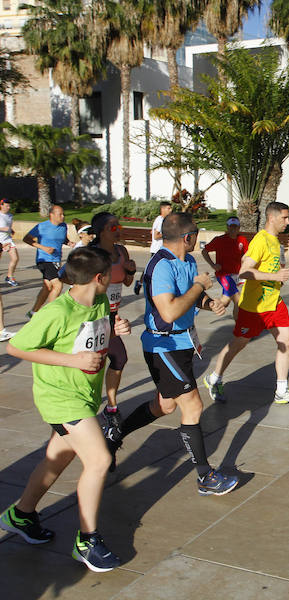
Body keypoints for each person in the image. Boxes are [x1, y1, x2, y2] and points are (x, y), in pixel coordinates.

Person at [4, 246, 131, 572]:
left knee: (57, 457)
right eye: (111, 272)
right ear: (99, 277)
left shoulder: (100, 301)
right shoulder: (57, 311)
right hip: (60, 397)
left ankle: (21, 514)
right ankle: (87, 540)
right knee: (100, 459)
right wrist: (71, 360)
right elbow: (16, 346)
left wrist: (116, 327)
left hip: (85, 394)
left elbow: (99, 328)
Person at [109, 212, 237, 495]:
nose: (197, 240)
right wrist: (199, 286)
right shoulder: (161, 266)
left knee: (165, 406)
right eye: (196, 235)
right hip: (163, 345)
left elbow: (190, 296)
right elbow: (168, 311)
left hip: (183, 344)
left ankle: (114, 434)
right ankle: (205, 477)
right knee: (192, 407)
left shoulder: (188, 261)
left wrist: (208, 303)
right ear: (187, 237)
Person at [203, 202, 289, 405]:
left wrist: (277, 275)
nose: (288, 222)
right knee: (239, 344)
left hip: (274, 303)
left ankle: (281, 390)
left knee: (286, 342)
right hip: (254, 307)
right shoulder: (262, 239)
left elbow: (248, 258)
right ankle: (214, 378)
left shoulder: (275, 241)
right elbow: (245, 271)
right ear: (272, 218)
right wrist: (274, 275)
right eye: (285, 218)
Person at [88, 213, 137, 461]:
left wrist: (130, 271)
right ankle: (88, 410)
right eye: (113, 226)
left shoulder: (121, 251)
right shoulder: (92, 254)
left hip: (113, 315)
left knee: (119, 358)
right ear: (101, 231)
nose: (118, 229)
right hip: (92, 317)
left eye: (119, 225)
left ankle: (111, 406)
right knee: (94, 364)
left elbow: (127, 283)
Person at [23, 204, 74, 317]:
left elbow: (63, 239)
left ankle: (33, 312)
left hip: (56, 260)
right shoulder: (42, 227)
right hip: (44, 260)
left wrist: (69, 243)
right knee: (58, 285)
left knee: (47, 287)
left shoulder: (63, 226)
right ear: (51, 215)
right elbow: (26, 239)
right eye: (60, 214)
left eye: (63, 214)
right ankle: (48, 315)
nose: (63, 216)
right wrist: (43, 248)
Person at [200, 216, 249, 318]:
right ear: (227, 227)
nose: (233, 229)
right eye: (231, 227)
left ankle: (202, 304)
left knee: (225, 302)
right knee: (238, 300)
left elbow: (247, 255)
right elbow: (204, 251)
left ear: (239, 228)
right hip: (224, 275)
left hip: (237, 275)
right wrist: (212, 265)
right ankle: (239, 328)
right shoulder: (219, 240)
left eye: (235, 227)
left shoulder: (242, 240)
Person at [134, 200, 172, 295]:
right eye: (168, 208)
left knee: (158, 268)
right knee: (150, 269)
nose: (170, 210)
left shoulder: (162, 220)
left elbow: (152, 232)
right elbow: (156, 235)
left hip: (163, 250)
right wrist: (168, 234)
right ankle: (141, 283)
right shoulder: (160, 220)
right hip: (157, 250)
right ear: (162, 209)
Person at [1, 197, 20, 286]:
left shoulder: (10, 216)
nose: (9, 207)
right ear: (1, 206)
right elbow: (4, 227)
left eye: (9, 206)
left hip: (8, 240)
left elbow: (8, 226)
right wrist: (2, 228)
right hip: (0, 241)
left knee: (15, 258)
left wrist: (11, 230)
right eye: (7, 205)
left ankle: (9, 276)